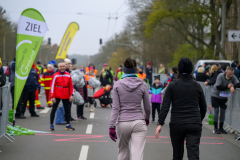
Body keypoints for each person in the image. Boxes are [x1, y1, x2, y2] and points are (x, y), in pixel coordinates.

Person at [155, 58, 207, 160]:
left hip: (177, 123)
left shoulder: (172, 85)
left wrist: (160, 123)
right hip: (194, 123)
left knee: (177, 155)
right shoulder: (197, 86)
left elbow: (165, 106)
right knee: (193, 155)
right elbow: (203, 107)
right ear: (191, 69)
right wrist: (198, 120)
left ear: (179, 69)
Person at [109, 57, 151, 160]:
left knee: (123, 151)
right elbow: (147, 107)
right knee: (137, 154)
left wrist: (111, 126)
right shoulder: (143, 84)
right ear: (136, 70)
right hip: (139, 122)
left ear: (123, 70)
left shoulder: (117, 85)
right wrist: (146, 118)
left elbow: (115, 108)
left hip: (123, 123)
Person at [211, 67, 239, 134]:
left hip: (224, 97)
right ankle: (215, 128)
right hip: (216, 96)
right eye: (229, 74)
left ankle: (221, 128)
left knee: (223, 112)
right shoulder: (220, 76)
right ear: (226, 73)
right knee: (216, 111)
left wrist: (233, 86)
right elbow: (218, 87)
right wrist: (227, 87)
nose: (231, 76)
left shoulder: (233, 77)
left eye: (232, 74)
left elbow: (238, 84)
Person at [50, 62, 75, 131]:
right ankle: (51, 124)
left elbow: (71, 85)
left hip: (66, 94)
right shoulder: (55, 75)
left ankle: (68, 124)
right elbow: (52, 86)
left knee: (67, 110)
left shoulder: (68, 75)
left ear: (65, 67)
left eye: (63, 66)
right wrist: (53, 96)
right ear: (58, 68)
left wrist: (71, 95)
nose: (62, 67)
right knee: (54, 109)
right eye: (60, 66)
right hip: (57, 94)